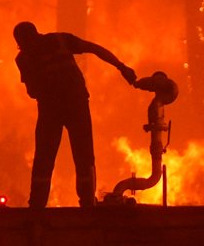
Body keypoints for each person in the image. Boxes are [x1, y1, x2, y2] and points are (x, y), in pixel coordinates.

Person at [13, 21, 136, 208]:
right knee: (83, 155)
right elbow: (94, 48)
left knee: (45, 159)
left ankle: (37, 205)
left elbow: (32, 91)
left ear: (21, 42)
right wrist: (121, 66)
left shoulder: (24, 58)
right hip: (74, 104)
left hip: (52, 109)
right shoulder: (60, 39)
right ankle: (86, 202)